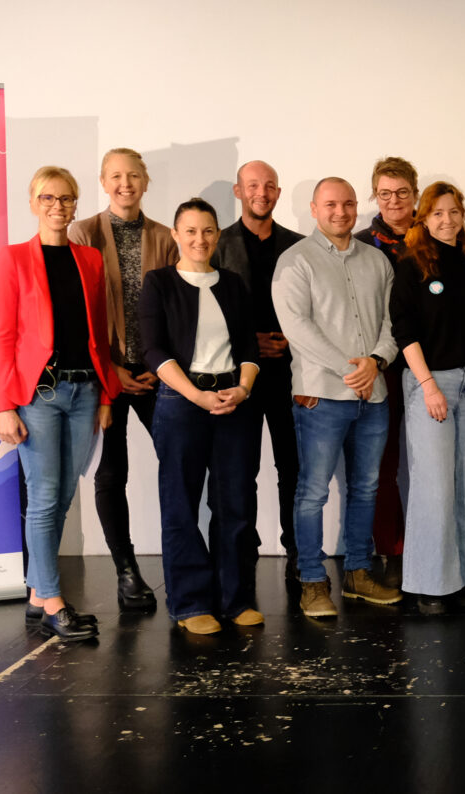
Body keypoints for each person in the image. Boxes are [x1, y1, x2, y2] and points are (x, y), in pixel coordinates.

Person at [0, 165, 118, 641]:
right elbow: (4, 336)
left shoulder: (89, 259)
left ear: (75, 204)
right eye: (47, 197)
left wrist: (105, 393)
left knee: (62, 497)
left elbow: (99, 332)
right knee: (45, 498)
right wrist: (5, 404)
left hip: (85, 391)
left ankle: (36, 595)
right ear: (33, 203)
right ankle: (52, 602)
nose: (57, 206)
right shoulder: (14, 259)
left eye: (65, 198)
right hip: (38, 396)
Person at [272, 177, 404, 618]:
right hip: (322, 397)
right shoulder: (296, 261)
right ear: (314, 209)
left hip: (374, 395)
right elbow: (297, 329)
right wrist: (354, 370)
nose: (341, 212)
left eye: (348, 204)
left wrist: (377, 361)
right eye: (331, 204)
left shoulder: (377, 261)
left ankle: (358, 574)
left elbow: (393, 322)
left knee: (366, 488)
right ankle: (312, 580)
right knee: (313, 493)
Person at [138, 198, 264, 634]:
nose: (200, 239)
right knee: (181, 504)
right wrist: (195, 395)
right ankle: (190, 604)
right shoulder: (159, 283)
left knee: (236, 503)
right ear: (175, 235)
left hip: (234, 401)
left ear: (218, 235)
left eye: (208, 230)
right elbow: (153, 350)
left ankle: (235, 599)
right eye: (190, 231)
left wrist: (243, 389)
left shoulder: (233, 284)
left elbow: (248, 346)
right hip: (181, 402)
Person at [68, 147, 176, 612]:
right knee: (112, 473)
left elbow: (177, 308)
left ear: (145, 181)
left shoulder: (166, 237)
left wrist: (162, 362)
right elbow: (78, 310)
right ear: (103, 182)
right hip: (104, 373)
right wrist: (110, 368)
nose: (125, 184)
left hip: (156, 373)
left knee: (180, 463)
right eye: (115, 176)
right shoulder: (83, 233)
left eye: (133, 175)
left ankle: (183, 561)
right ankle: (127, 572)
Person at [392, 181, 465, 615]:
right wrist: (428, 386)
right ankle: (430, 585)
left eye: (454, 211)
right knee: (434, 487)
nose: (447, 220)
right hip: (431, 384)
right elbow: (404, 332)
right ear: (423, 218)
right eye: (437, 212)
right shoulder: (411, 265)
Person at [210, 160, 305, 585]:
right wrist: (250, 343)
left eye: (268, 186)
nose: (261, 193)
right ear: (238, 191)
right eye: (252, 185)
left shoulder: (299, 247)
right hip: (238, 377)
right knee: (239, 471)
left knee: (294, 469)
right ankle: (241, 555)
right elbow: (208, 312)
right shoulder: (218, 244)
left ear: (278, 193)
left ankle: (298, 552)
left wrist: (290, 341)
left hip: (291, 374)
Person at [355, 156, 419, 586]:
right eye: (385, 193)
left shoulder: (435, 237)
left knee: (433, 464)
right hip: (383, 368)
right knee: (382, 465)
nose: (394, 201)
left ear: (415, 194)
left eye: (402, 192)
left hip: (433, 365)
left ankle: (430, 548)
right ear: (375, 196)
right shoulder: (360, 245)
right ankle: (392, 550)